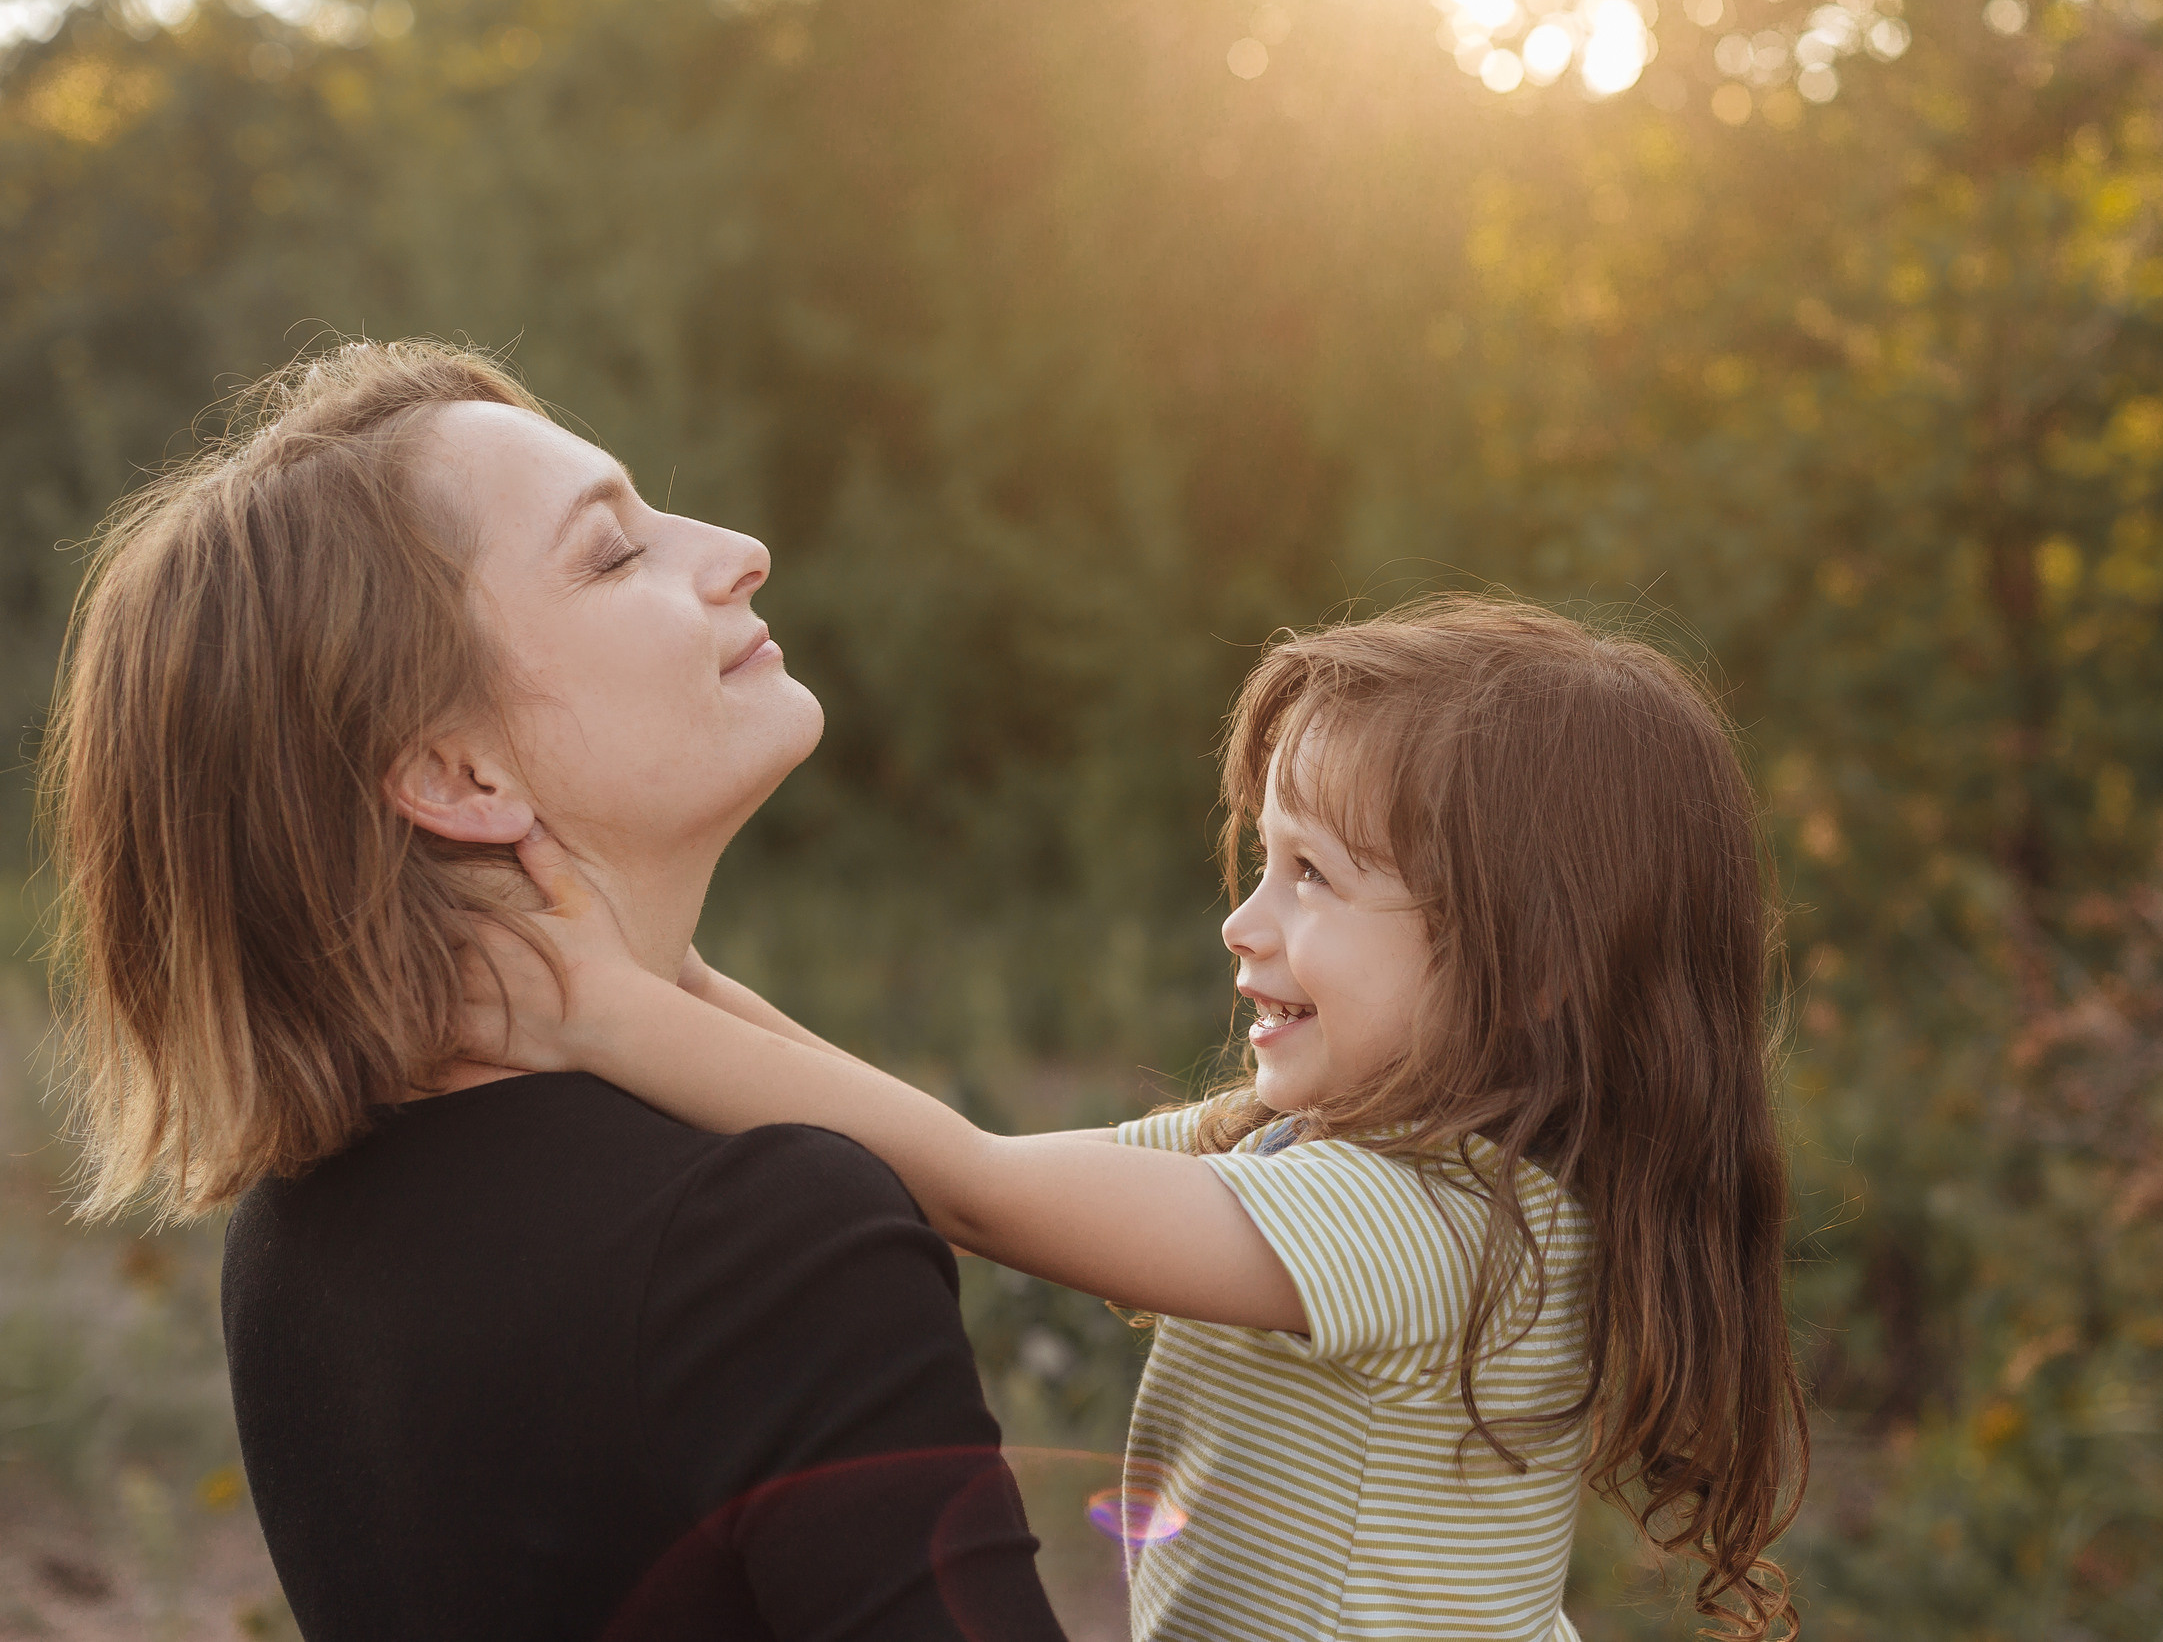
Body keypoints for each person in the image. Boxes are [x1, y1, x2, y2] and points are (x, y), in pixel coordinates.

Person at [471, 594, 1810, 1641]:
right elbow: (948, 1151)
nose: (1244, 922)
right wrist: (669, 975)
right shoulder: (1321, 1153)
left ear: (1529, 963)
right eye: (1263, 860)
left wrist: (600, 1009)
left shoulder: (1439, 1227)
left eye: (1314, 878)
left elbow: (974, 1189)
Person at [37, 340, 1070, 1642]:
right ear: (460, 777)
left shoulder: (295, 1231)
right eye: (614, 552)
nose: (741, 549)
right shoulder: (762, 1238)